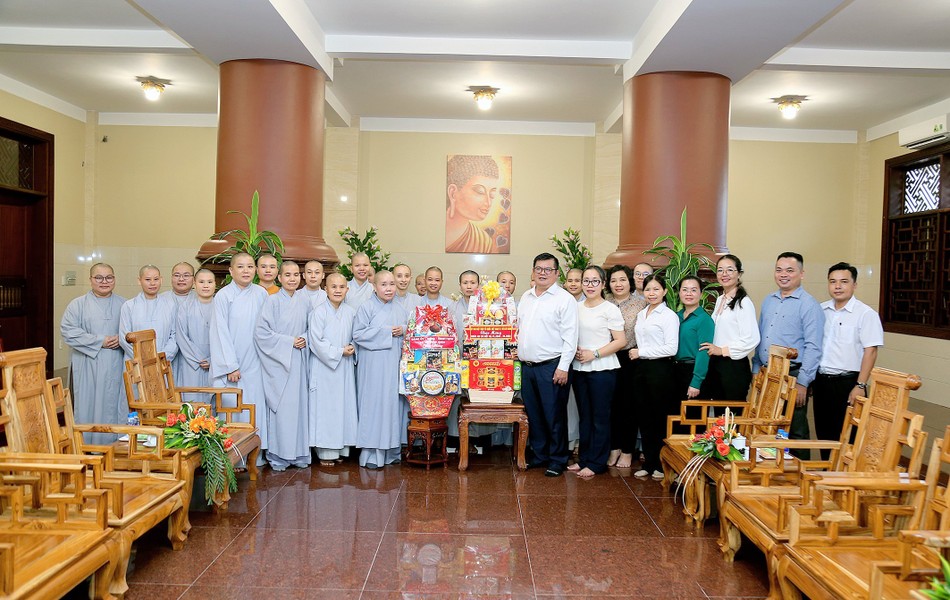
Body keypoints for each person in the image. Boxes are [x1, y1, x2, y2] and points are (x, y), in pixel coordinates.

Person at [753, 252, 824, 458]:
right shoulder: (769, 300)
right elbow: (761, 336)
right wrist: (756, 368)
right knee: (769, 425)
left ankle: (799, 477)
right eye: (779, 269)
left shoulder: (809, 305)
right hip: (768, 373)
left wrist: (803, 382)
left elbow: (814, 346)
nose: (783, 274)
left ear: (802, 274)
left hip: (793, 375)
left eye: (790, 270)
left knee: (795, 427)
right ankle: (773, 471)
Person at [813, 262, 883, 458]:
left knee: (849, 436)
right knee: (825, 434)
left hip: (849, 383)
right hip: (822, 381)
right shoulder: (821, 310)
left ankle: (845, 482)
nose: (837, 286)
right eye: (833, 281)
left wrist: (860, 384)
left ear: (854, 285)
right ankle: (827, 478)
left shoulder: (866, 314)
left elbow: (871, 352)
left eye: (844, 282)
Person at [517, 252, 578, 477]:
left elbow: (571, 337)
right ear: (532, 272)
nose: (543, 273)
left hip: (552, 366)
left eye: (548, 269)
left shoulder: (564, 299)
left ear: (556, 273)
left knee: (554, 415)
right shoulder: (526, 296)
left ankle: (557, 459)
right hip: (528, 367)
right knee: (534, 414)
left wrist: (563, 366)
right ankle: (540, 454)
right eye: (539, 269)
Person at [210, 252, 269, 462]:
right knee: (232, 409)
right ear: (231, 271)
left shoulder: (261, 293)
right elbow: (219, 333)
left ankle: (256, 456)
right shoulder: (224, 296)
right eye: (241, 267)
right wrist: (230, 366)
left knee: (255, 407)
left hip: (256, 361)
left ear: (255, 270)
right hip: (234, 366)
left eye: (250, 267)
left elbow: (266, 329)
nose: (246, 271)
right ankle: (233, 457)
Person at [568, 266, 625, 478]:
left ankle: (597, 462)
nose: (590, 285)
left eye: (595, 281)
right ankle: (584, 458)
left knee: (600, 417)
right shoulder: (576, 306)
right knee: (584, 416)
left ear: (603, 284)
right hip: (579, 367)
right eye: (586, 281)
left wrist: (595, 354)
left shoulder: (610, 309)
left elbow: (621, 340)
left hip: (603, 368)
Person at [60, 263, 127, 444]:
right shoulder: (77, 305)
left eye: (109, 277)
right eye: (99, 278)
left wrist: (121, 339)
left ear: (114, 279)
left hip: (116, 363)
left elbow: (133, 332)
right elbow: (68, 331)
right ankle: (88, 447)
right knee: (88, 405)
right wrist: (100, 341)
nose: (104, 282)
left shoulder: (125, 304)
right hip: (87, 365)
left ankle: (114, 445)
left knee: (113, 405)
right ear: (90, 280)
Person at [255, 261, 311, 471]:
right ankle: (279, 456)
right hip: (279, 363)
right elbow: (261, 333)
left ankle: (298, 455)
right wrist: (289, 342)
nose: (292, 279)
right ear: (279, 278)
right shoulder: (272, 302)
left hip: (299, 359)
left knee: (299, 409)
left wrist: (304, 338)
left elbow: (311, 328)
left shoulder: (304, 301)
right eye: (288, 275)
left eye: (296, 275)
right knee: (282, 410)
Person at [353, 271, 408, 468]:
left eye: (392, 284)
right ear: (374, 286)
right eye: (384, 284)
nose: (389, 288)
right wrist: (387, 332)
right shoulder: (366, 308)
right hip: (373, 366)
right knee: (373, 406)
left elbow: (409, 335)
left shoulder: (401, 309)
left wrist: (403, 329)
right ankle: (370, 455)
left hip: (393, 364)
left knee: (392, 406)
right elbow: (358, 335)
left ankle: (391, 451)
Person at [630, 274, 679, 479]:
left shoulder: (668, 316)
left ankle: (661, 465)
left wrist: (641, 352)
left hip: (661, 371)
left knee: (659, 418)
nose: (652, 293)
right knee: (645, 416)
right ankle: (649, 463)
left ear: (665, 292)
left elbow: (671, 348)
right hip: (642, 369)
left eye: (656, 289)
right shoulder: (643, 314)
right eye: (648, 289)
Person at [308, 273, 358, 464]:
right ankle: (325, 452)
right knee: (327, 409)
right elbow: (315, 342)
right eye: (333, 287)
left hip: (344, 368)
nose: (338, 290)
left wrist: (353, 347)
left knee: (343, 407)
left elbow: (357, 335)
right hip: (325, 368)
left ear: (347, 289)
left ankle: (343, 450)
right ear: (326, 289)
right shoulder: (318, 312)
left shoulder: (351, 312)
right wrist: (338, 352)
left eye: (341, 287)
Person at [700, 255, 760, 406]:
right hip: (717, 365)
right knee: (719, 416)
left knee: (731, 418)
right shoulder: (721, 299)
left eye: (729, 270)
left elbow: (752, 339)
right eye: (720, 270)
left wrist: (722, 350)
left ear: (739, 274)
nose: (724, 274)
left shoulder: (743, 303)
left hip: (733, 368)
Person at [607, 263, 650, 468]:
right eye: (614, 280)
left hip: (631, 359)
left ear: (630, 281)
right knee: (611, 405)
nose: (618, 284)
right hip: (606, 358)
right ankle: (614, 447)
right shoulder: (603, 302)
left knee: (629, 406)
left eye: (622, 279)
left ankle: (627, 450)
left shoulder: (641, 304)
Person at [119, 265, 178, 361]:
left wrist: (162, 357)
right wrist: (142, 358)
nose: (152, 283)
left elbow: (174, 336)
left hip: (162, 361)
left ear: (161, 280)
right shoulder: (129, 306)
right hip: (136, 362)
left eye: (156, 279)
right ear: (139, 281)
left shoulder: (170, 306)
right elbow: (124, 338)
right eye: (147, 279)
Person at [674, 276, 715, 412]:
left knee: (693, 422)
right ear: (679, 293)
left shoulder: (704, 320)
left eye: (693, 290)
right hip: (676, 371)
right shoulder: (676, 316)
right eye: (685, 290)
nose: (688, 294)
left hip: (693, 373)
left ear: (701, 293)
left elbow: (704, 352)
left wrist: (696, 382)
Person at [445, 155, 499, 253]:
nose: (488, 202)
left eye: (492, 194)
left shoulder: (483, 241)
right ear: (453, 193)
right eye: (480, 192)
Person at [175, 268, 215, 400]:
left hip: (215, 363)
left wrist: (213, 359)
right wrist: (198, 358)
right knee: (192, 401)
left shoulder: (220, 306)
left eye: (210, 282)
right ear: (194, 283)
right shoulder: (185, 307)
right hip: (191, 363)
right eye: (201, 281)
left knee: (214, 402)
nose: (205, 285)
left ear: (215, 284)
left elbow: (227, 337)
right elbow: (181, 336)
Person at [162, 261, 196, 386]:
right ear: (171, 278)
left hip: (193, 359)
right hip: (166, 357)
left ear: (194, 279)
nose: (181, 279)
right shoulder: (161, 300)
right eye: (177, 275)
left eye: (186, 275)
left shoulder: (202, 299)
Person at [562, 267, 584, 452]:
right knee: (568, 405)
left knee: (580, 404)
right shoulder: (559, 301)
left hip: (585, 358)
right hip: (564, 360)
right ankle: (569, 440)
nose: (574, 284)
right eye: (570, 280)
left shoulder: (588, 303)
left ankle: (580, 441)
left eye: (578, 280)